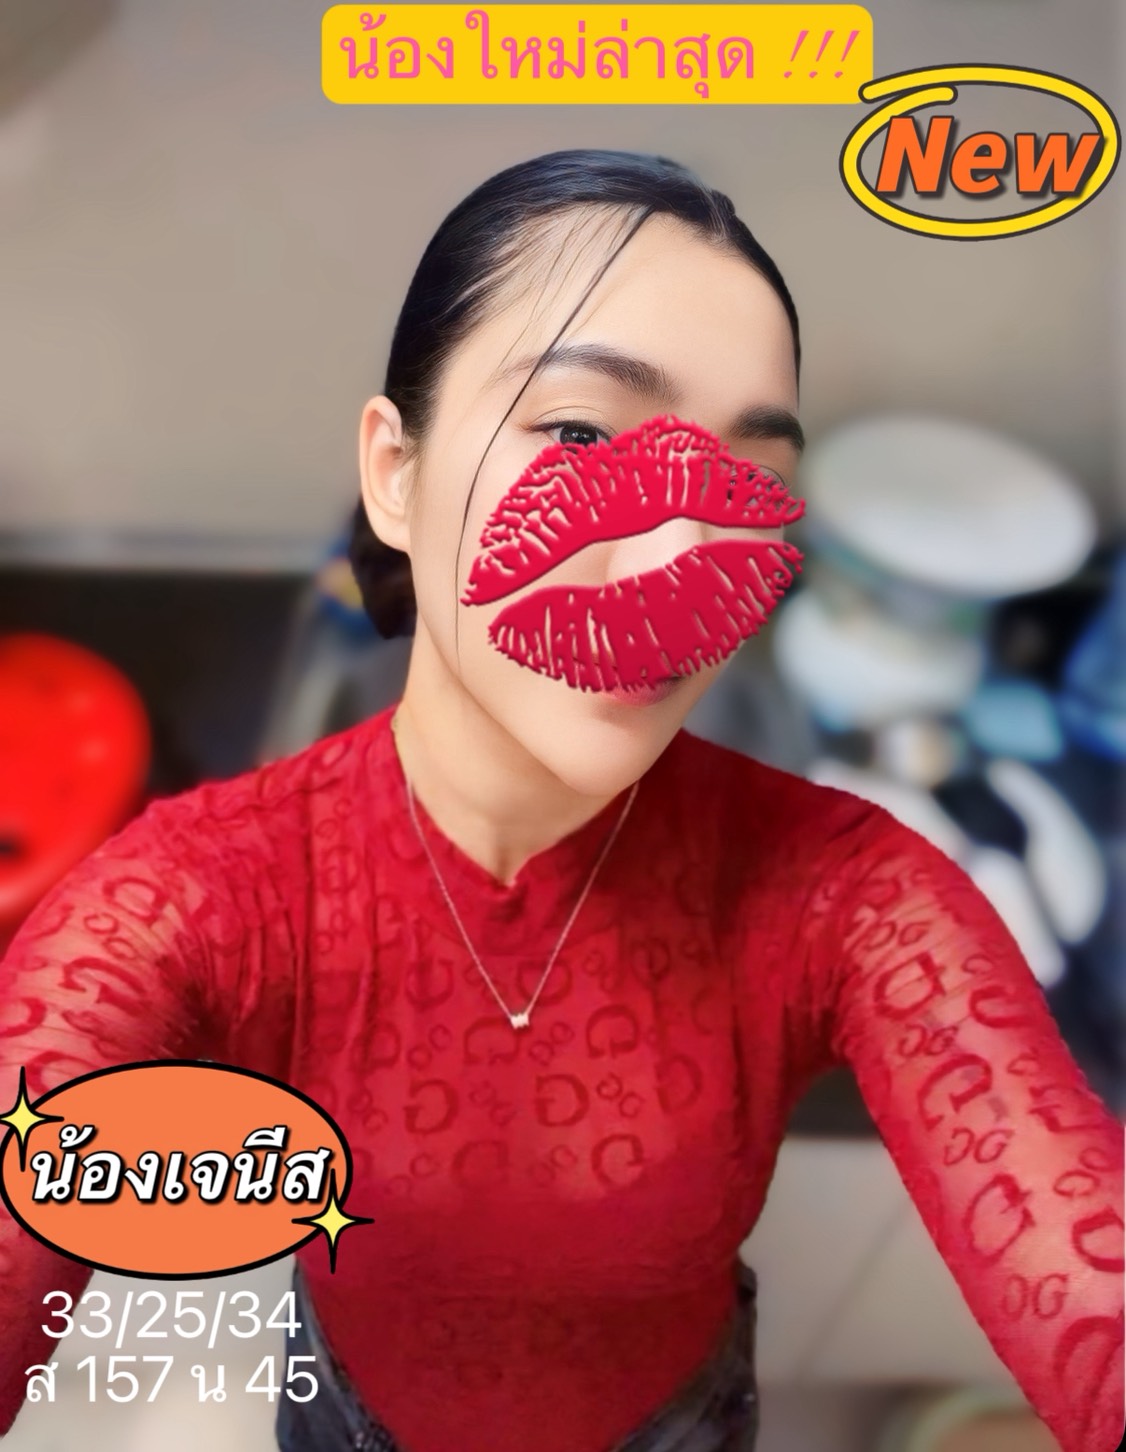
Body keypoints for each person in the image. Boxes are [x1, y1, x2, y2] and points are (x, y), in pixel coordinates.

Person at [0, 150, 1122, 1452]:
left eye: (744, 480)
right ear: (396, 474)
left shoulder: (847, 893)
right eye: (581, 432)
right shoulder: (204, 890)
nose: (681, 552)